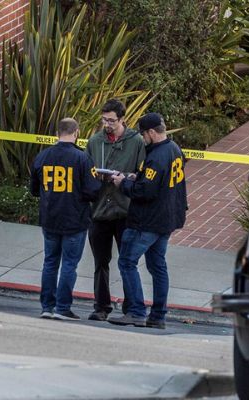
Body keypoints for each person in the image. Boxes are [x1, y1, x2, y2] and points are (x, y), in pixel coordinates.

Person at [107, 112, 187, 329]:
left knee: (126, 261)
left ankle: (136, 312)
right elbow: (159, 181)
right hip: (167, 219)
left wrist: (123, 183)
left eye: (144, 134)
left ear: (152, 132)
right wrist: (138, 176)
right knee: (157, 265)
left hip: (148, 221)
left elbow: (145, 191)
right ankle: (158, 316)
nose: (143, 138)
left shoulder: (156, 156)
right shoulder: (174, 150)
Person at [30, 118, 101, 321]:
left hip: (50, 218)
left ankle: (47, 306)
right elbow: (92, 191)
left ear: (57, 133)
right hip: (74, 220)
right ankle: (62, 307)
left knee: (50, 263)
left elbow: (35, 189)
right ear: (77, 132)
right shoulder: (82, 159)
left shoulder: (43, 156)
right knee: (69, 264)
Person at [85, 99, 146, 321]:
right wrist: (95, 176)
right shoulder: (95, 141)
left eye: (112, 120)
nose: (107, 124)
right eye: (104, 120)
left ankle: (131, 308)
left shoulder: (136, 142)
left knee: (128, 261)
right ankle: (101, 306)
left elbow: (143, 173)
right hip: (100, 210)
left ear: (122, 119)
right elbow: (85, 171)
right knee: (100, 261)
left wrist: (129, 177)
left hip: (125, 210)